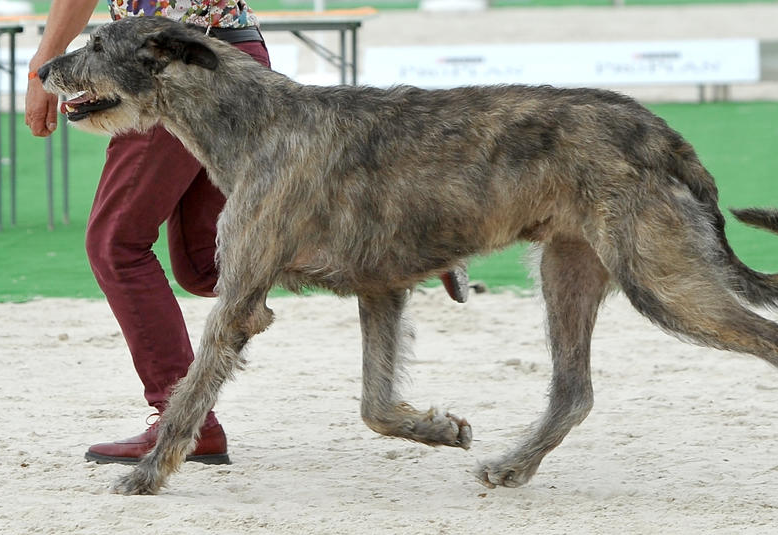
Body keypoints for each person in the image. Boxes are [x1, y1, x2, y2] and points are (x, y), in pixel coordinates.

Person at [25, 0, 468, 465]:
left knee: (115, 245)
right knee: (207, 263)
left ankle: (180, 421)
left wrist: (42, 66)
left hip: (166, 67)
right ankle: (409, 249)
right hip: (237, 54)